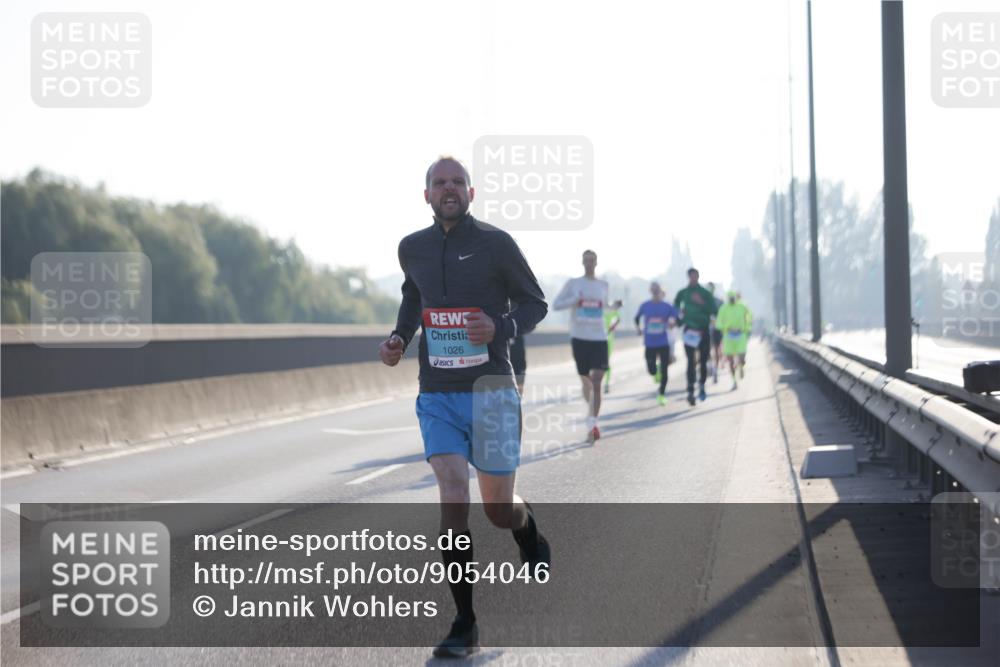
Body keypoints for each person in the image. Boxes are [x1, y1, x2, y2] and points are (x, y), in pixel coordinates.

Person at [379, 156, 551, 658]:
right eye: (439, 183)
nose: (448, 189)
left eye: (457, 182)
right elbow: (414, 297)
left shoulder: (496, 244)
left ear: (471, 194)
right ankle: (465, 622)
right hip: (437, 394)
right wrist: (399, 336)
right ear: (426, 195)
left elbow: (534, 303)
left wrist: (500, 327)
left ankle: (528, 530)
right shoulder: (412, 247)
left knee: (499, 511)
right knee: (453, 497)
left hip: (493, 390)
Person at [553, 249, 609, 443]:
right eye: (586, 260)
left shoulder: (603, 285)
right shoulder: (574, 284)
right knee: (587, 382)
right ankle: (591, 412)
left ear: (597, 262)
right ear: (582, 262)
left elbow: (604, 307)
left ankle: (593, 423)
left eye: (592, 260)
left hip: (599, 337)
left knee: (597, 382)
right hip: (580, 337)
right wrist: (574, 301)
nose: (589, 263)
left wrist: (614, 306)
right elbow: (556, 305)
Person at [674, 267, 718, 406]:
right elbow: (675, 308)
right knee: (690, 362)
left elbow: (714, 311)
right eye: (691, 276)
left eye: (696, 276)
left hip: (703, 330)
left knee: (703, 360)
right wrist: (679, 318)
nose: (694, 279)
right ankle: (690, 391)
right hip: (689, 331)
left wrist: (702, 303)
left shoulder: (705, 293)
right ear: (688, 277)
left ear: (698, 277)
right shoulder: (683, 293)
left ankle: (702, 385)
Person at [634, 282, 679, 405]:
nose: (655, 291)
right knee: (651, 370)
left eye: (657, 289)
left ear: (661, 291)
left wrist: (673, 323)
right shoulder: (645, 305)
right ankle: (655, 370)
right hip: (649, 343)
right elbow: (636, 317)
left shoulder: (666, 306)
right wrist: (638, 328)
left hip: (663, 342)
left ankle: (662, 394)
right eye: (653, 289)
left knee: (665, 370)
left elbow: (677, 317)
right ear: (650, 291)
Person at [716, 290, 752, 389]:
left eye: (733, 298)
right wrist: (727, 327)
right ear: (728, 298)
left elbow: (749, 318)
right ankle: (734, 381)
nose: (732, 300)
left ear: (735, 298)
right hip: (728, 337)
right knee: (730, 361)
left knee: (741, 357)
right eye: (730, 298)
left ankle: (741, 367)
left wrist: (746, 328)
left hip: (740, 335)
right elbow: (718, 322)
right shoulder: (723, 308)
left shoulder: (742, 307)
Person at [602, 299, 623, 394]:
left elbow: (618, 320)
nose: (617, 308)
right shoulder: (603, 306)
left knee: (606, 363)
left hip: (608, 340)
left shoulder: (615, 313)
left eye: (618, 307)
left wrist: (612, 327)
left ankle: (606, 383)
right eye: (617, 306)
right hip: (596, 338)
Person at [706, 282, 725, 384]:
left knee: (717, 350)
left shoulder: (719, 301)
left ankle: (715, 371)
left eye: (711, 288)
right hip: (705, 329)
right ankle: (709, 366)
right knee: (707, 350)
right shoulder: (702, 301)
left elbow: (724, 315)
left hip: (717, 329)